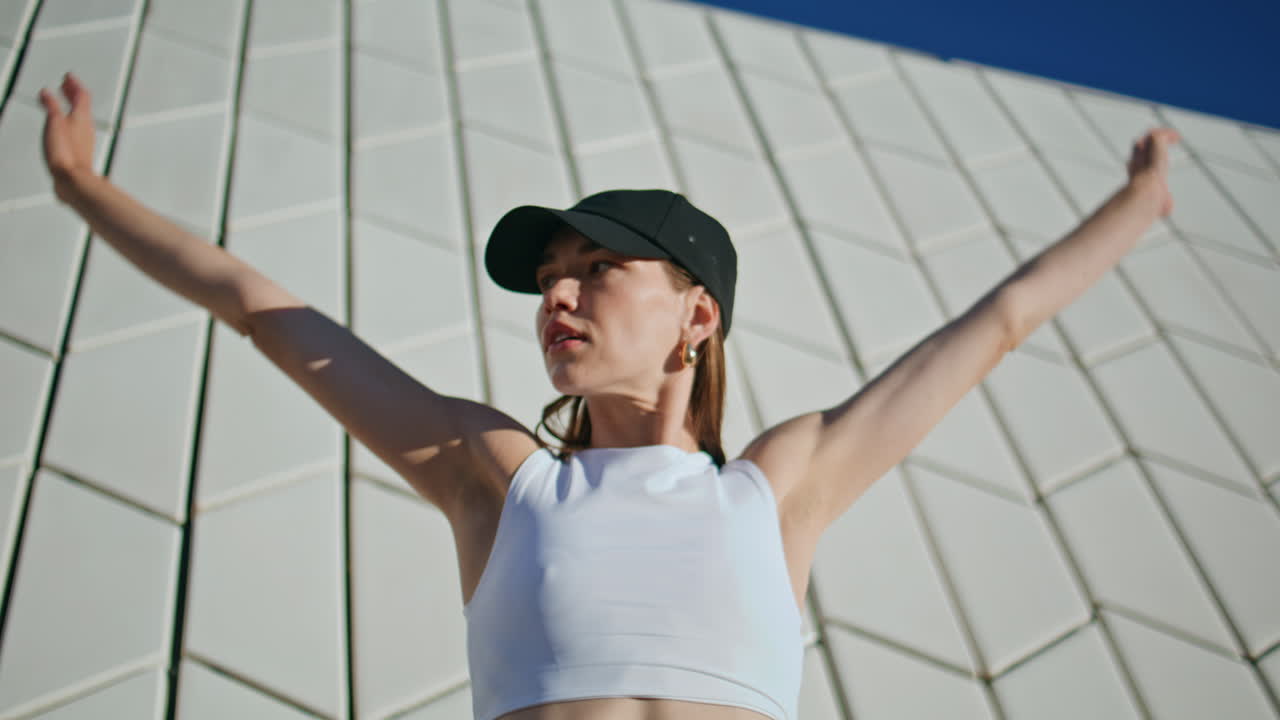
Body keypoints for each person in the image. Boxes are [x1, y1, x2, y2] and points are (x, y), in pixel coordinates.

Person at [39, 71, 1179, 720]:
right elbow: (258, 308)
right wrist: (83, 189)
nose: (558, 294)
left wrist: (1139, 206)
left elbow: (999, 322)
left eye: (595, 268)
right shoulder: (498, 477)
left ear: (698, 315)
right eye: (546, 279)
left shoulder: (779, 488)